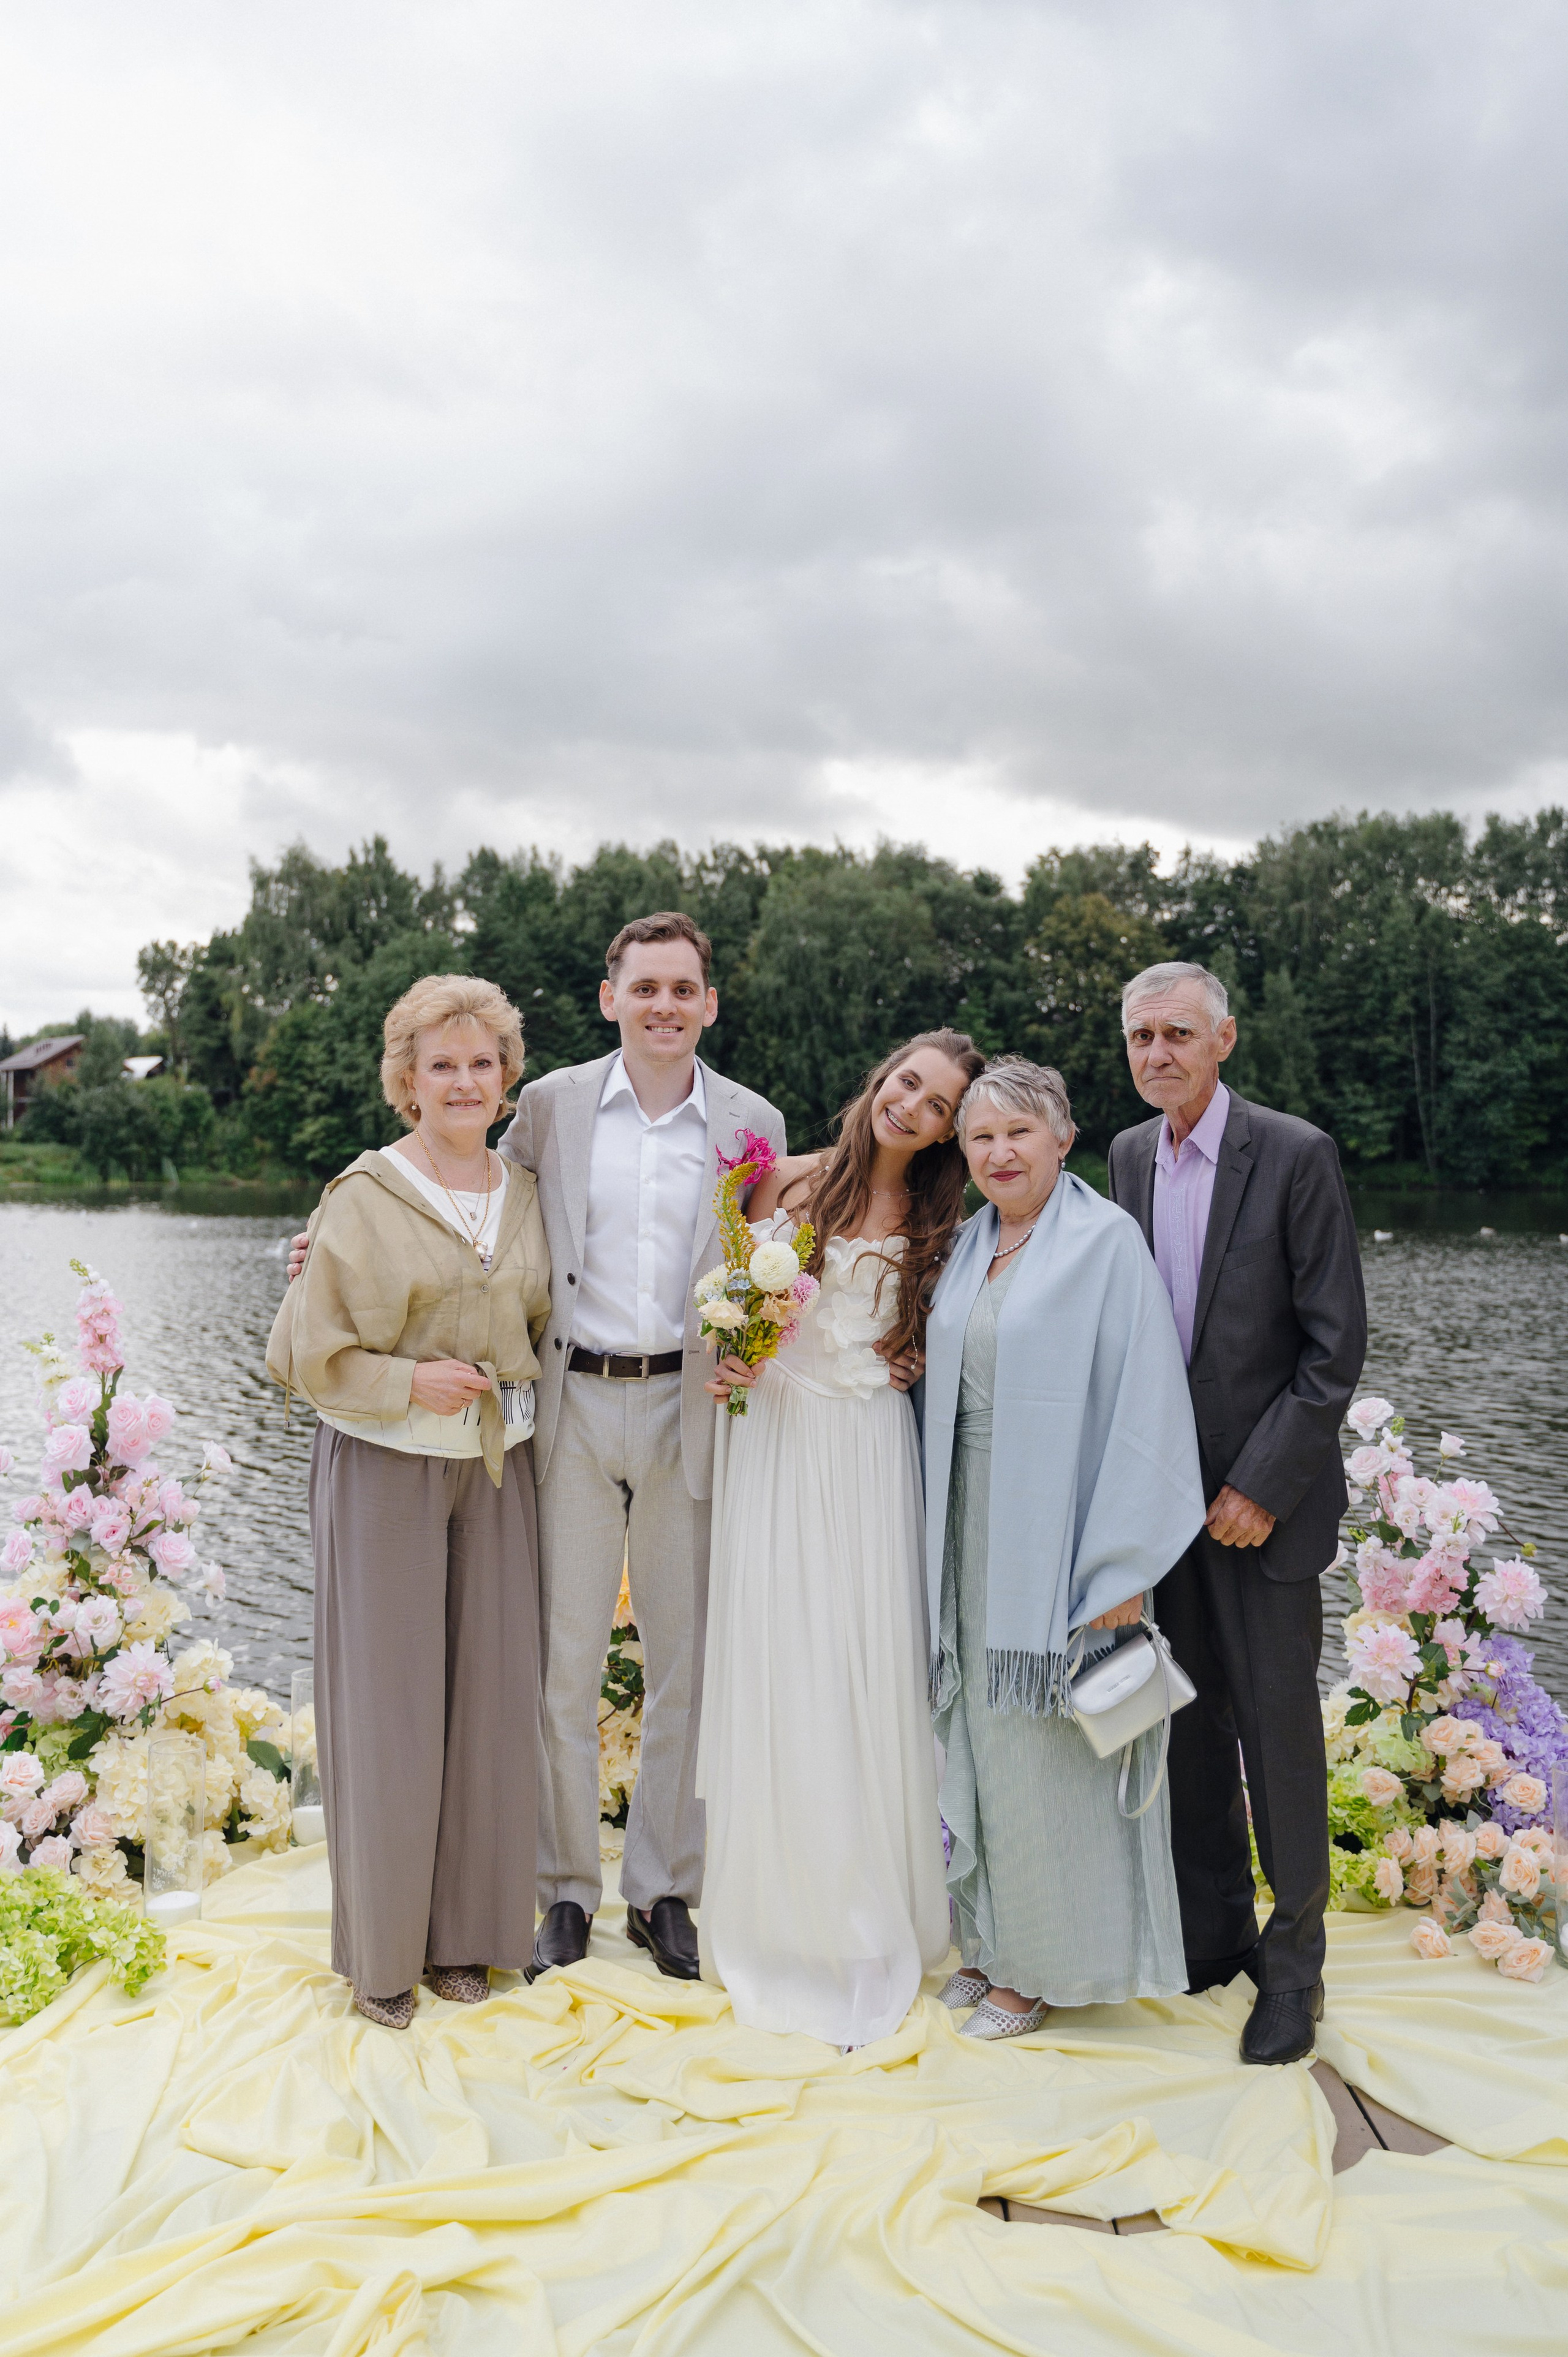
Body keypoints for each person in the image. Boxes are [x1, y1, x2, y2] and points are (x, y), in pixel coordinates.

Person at [496, 914, 785, 1984]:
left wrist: (763, 1345)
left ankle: (663, 1890)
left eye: (684, 989)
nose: (665, 1005)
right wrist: (328, 1234)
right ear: (610, 995)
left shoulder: (752, 1122)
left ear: (709, 1004)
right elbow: (476, 1212)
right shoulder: (552, 1107)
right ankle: (565, 1889)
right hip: (572, 1409)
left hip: (689, 1408)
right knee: (561, 1670)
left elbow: (776, 1261)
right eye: (645, 987)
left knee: (685, 1672)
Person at [266, 976, 551, 2029]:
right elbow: (303, 1352)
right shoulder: (363, 1194)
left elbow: (541, 1312)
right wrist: (406, 1381)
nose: (466, 1081)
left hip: (496, 1464)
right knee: (389, 1712)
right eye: (444, 1064)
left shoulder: (522, 1192)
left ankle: (466, 1938)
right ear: (408, 1081)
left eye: (483, 1063)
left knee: (486, 1698)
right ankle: (383, 1956)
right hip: (384, 1462)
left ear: (506, 1077)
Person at [698, 1030, 985, 2048]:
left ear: (951, 1129)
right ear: (881, 1077)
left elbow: (946, 1339)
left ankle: (869, 1907)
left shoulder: (945, 1217)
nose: (914, 1105)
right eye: (909, 1080)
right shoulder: (778, 1183)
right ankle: (780, 1911)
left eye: (940, 1103)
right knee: (785, 1659)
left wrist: (908, 1357)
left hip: (867, 1451)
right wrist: (729, 1358)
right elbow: (726, 1311)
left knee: (861, 1664)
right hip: (778, 1441)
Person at [1108, 962, 1366, 2065]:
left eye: (1177, 1034)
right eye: (1139, 1038)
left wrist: (1261, 1485)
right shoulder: (1125, 1157)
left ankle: (1294, 1968)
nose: (1157, 1054)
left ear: (1223, 1040)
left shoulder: (1295, 1154)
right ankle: (1213, 1939)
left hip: (1263, 1509)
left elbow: (1332, 1348)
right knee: (1187, 1730)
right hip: (1161, 1507)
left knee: (1277, 1734)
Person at [924, 1057, 1205, 2039]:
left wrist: (1122, 1571)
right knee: (978, 1734)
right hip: (967, 1521)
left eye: (1018, 1134)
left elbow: (1148, 1409)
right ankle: (990, 1941)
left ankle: (1048, 1969)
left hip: (1065, 1533)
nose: (1000, 1153)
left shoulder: (1104, 1243)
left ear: (1061, 1139)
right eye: (981, 1138)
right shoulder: (966, 1248)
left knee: (1049, 1750)